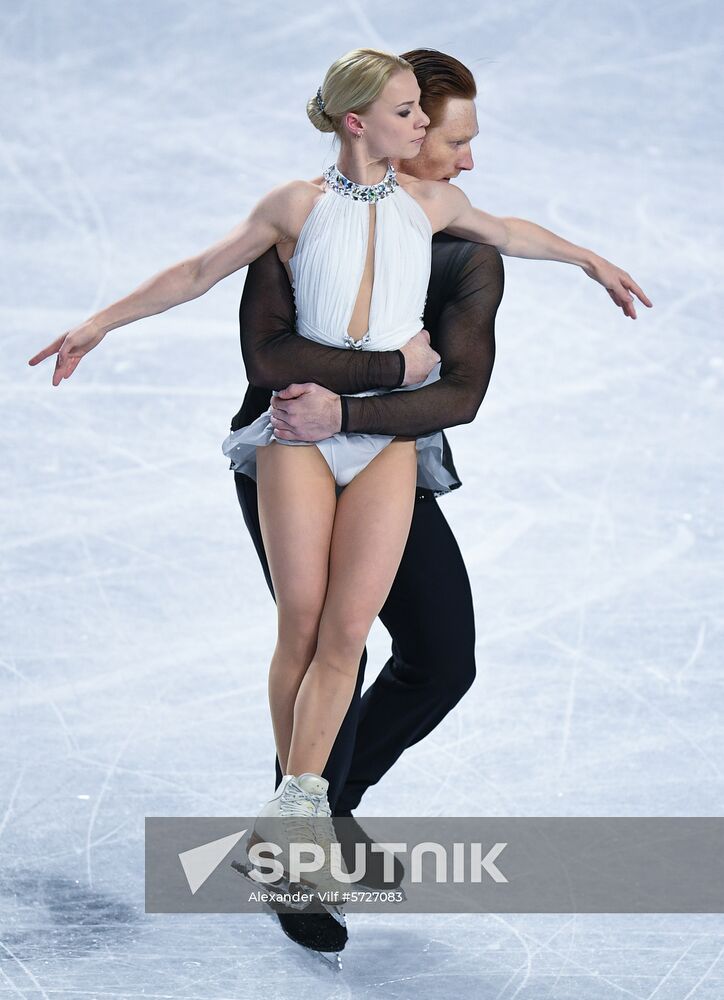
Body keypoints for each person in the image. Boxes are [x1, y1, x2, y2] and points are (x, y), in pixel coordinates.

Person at [28, 46, 651, 953]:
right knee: (311, 629)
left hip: (385, 443)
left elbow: (512, 248)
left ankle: (303, 812)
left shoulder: (442, 215)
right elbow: (210, 283)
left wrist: (591, 258)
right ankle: (299, 831)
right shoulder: (296, 209)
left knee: (365, 641)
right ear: (365, 121)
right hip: (293, 435)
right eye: (419, 117)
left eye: (430, 121)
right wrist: (97, 323)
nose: (438, 138)